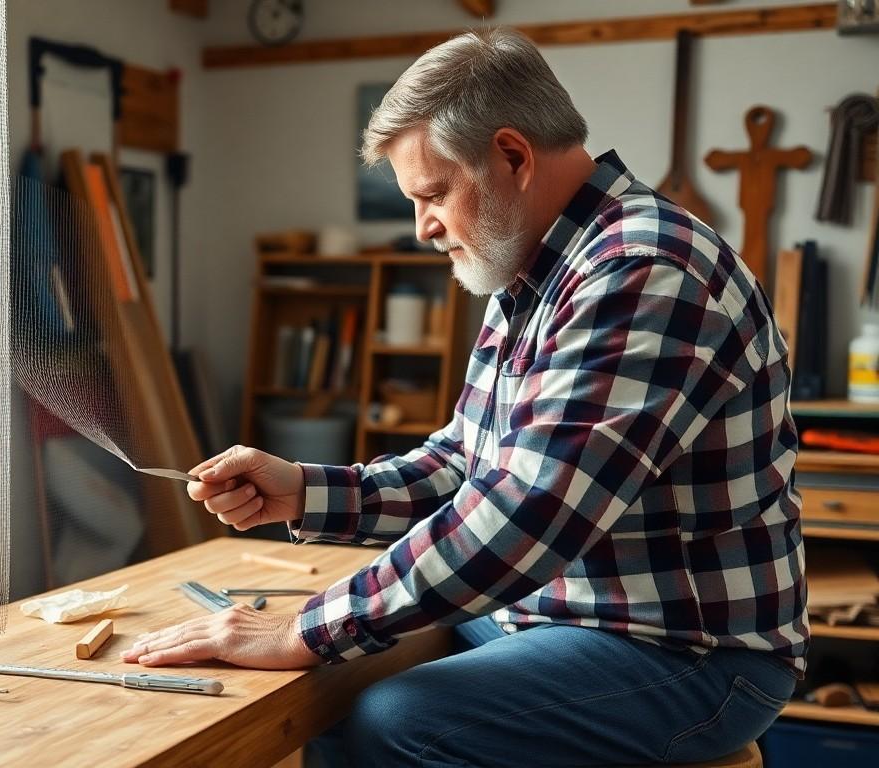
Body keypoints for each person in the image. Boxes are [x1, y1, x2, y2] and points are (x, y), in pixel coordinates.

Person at [121, 27, 806, 767]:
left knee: (397, 720)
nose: (423, 227)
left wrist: (302, 631)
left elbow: (526, 513)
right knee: (342, 681)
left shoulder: (641, 270)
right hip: (561, 618)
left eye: (433, 193)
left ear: (511, 156)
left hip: (686, 651)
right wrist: (306, 492)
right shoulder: (532, 273)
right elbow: (466, 465)